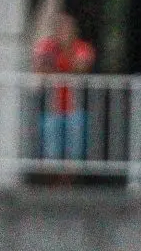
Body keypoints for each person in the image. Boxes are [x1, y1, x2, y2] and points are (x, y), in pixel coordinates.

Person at [32, 10, 95, 162]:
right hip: (51, 109)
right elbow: (40, 69)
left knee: (74, 154)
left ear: (74, 30)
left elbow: (81, 67)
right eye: (59, 28)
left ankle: (69, 177)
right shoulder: (46, 46)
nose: (63, 32)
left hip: (75, 109)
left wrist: (61, 56)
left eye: (67, 28)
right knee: (50, 153)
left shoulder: (83, 47)